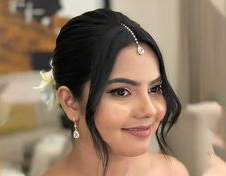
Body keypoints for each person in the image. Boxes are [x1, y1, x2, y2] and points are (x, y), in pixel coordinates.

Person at [38, 8, 189, 176]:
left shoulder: (173, 172)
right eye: (121, 92)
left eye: (155, 89)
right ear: (70, 102)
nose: (150, 110)